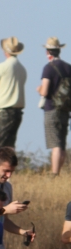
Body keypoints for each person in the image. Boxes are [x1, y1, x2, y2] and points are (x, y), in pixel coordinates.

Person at [0, 37, 27, 158]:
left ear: (5, 51)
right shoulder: (22, 69)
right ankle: (8, 175)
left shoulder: (1, 67)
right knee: (10, 147)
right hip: (17, 112)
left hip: (2, 110)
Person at [38, 37, 71, 176]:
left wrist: (38, 89)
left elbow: (45, 91)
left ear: (48, 51)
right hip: (65, 109)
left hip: (52, 108)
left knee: (55, 144)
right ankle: (58, 171)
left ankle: (54, 173)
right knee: (62, 144)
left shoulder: (48, 68)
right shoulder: (68, 67)